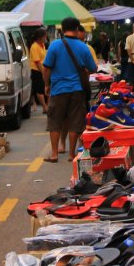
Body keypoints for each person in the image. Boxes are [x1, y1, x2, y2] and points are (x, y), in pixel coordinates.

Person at [42, 17, 97, 162]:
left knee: (55, 121)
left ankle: (54, 154)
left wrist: (47, 84)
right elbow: (94, 68)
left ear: (62, 29)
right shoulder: (83, 47)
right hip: (77, 89)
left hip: (58, 89)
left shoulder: (54, 46)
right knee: (75, 121)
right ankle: (72, 154)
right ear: (77, 29)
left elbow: (46, 67)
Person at [28, 29, 49, 115]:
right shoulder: (34, 46)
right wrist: (43, 72)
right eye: (44, 36)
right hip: (37, 70)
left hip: (43, 69)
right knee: (40, 90)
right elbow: (37, 62)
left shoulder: (43, 45)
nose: (45, 38)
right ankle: (44, 107)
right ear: (40, 38)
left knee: (45, 88)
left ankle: (46, 106)